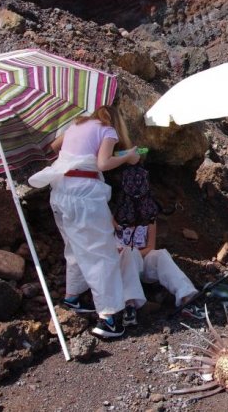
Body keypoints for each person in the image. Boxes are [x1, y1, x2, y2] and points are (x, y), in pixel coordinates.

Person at [29, 105, 144, 339]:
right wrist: (128, 157)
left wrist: (79, 156)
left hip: (60, 191)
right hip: (84, 196)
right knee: (101, 254)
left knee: (74, 247)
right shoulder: (108, 130)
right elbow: (103, 164)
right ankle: (109, 318)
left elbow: (54, 147)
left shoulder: (76, 124)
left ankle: (72, 297)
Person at [115, 221, 205, 326]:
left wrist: (136, 253)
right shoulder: (113, 218)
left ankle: (186, 299)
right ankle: (129, 306)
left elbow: (150, 247)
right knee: (129, 253)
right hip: (121, 266)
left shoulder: (149, 218)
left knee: (161, 254)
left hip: (142, 261)